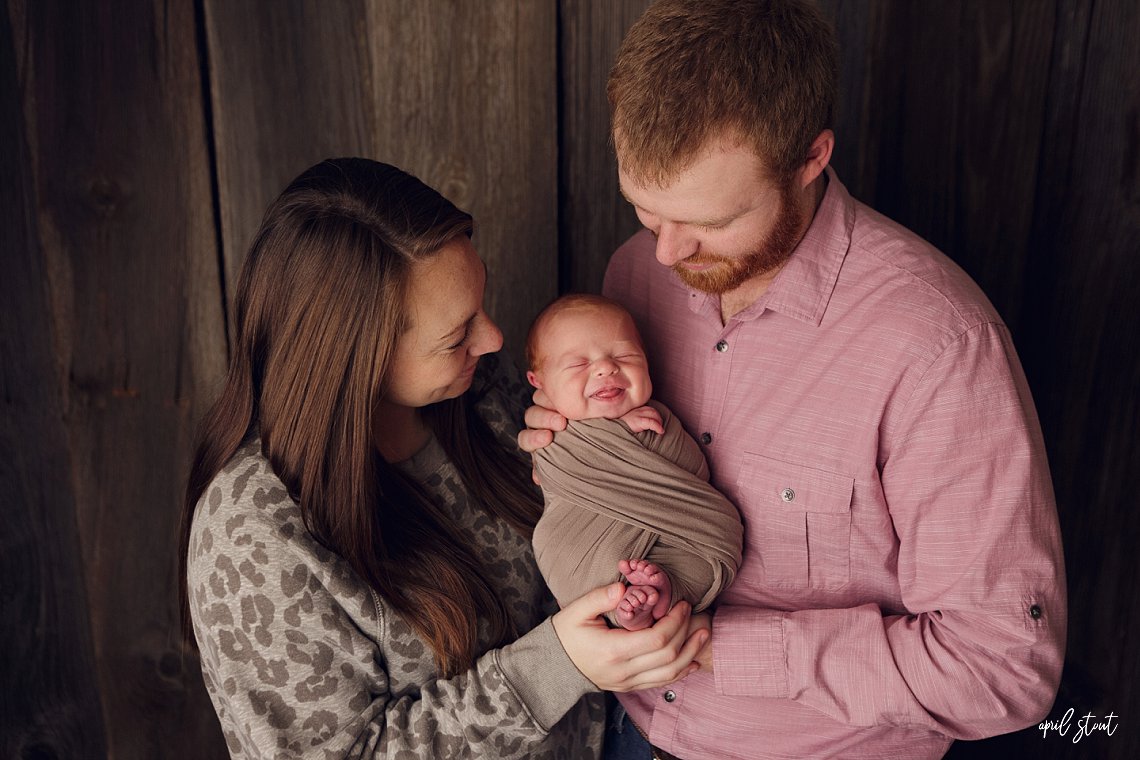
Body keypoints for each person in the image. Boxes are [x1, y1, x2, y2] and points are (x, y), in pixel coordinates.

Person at [520, 1, 1067, 758]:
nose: (669, 253)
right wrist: (572, 448)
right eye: (646, 211)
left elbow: (1003, 665)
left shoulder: (938, 347)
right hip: (621, 732)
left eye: (710, 222)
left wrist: (721, 649)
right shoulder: (631, 277)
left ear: (811, 158)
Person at [177, 158, 709, 759]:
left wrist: (600, 446)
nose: (493, 340)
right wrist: (555, 667)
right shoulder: (252, 533)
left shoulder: (480, 393)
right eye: (457, 335)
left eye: (481, 303)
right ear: (359, 360)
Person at [524, 294, 743, 631]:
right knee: (570, 557)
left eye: (624, 356)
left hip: (682, 542)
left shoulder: (661, 420)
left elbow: (693, 473)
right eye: (579, 364)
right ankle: (627, 605)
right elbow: (561, 471)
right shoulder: (553, 436)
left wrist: (630, 436)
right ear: (539, 383)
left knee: (696, 565)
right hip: (584, 549)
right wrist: (611, 435)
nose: (605, 368)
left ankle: (661, 592)